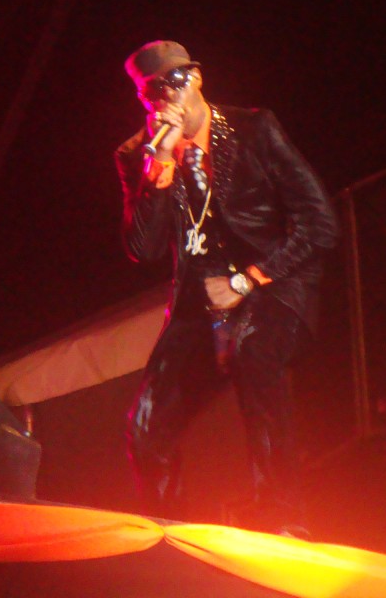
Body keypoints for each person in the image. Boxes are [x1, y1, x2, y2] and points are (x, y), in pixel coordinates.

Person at [115, 40, 338, 536]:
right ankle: (168, 535)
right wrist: (160, 167)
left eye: (175, 81)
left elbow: (320, 223)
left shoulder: (254, 128)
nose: (167, 97)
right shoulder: (138, 155)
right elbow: (143, 250)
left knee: (252, 349)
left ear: (196, 77)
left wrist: (247, 279)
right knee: (146, 426)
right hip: (200, 305)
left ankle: (282, 518)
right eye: (153, 91)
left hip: (272, 285)